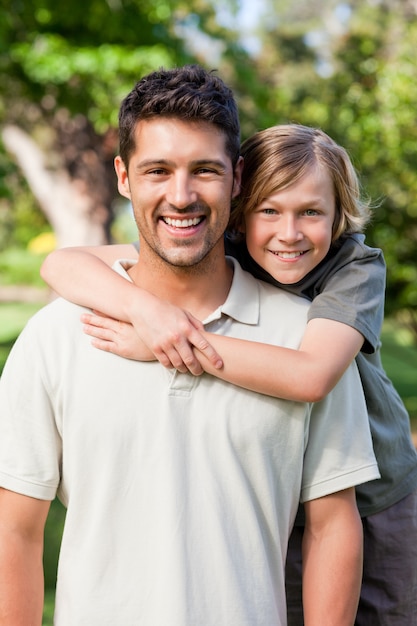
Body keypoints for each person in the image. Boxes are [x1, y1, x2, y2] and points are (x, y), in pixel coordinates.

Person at [0, 66, 379, 625]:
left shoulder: (309, 337)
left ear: (236, 178)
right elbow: (15, 528)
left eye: (204, 170)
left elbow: (332, 524)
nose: (181, 196)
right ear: (124, 177)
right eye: (158, 170)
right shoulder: (57, 335)